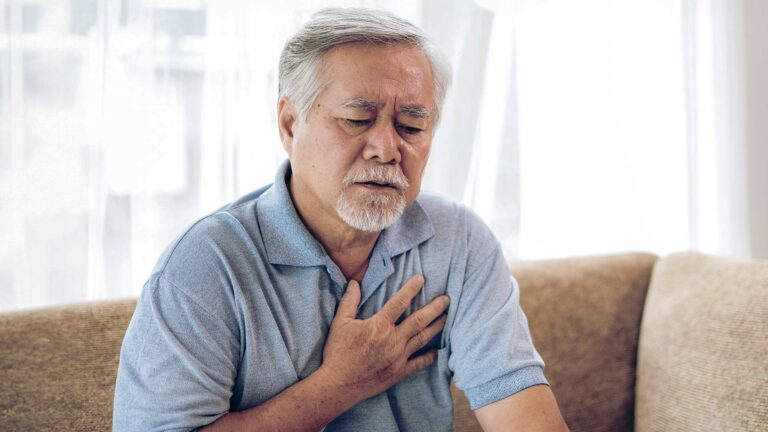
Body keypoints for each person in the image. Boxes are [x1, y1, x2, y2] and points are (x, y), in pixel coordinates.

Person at [113, 7, 569, 432]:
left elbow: (523, 410)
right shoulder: (204, 266)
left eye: (411, 127)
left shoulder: (460, 241)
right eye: (357, 118)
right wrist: (338, 386)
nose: (387, 149)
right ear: (290, 124)